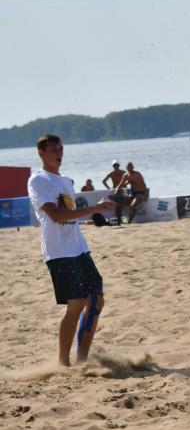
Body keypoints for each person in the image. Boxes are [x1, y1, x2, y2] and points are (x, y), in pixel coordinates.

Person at [27, 134, 116, 366]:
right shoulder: (38, 180)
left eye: (61, 149)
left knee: (96, 301)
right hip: (58, 252)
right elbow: (56, 216)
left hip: (79, 248)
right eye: (53, 149)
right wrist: (96, 208)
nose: (59, 153)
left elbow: (70, 216)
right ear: (41, 153)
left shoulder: (67, 180)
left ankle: (83, 360)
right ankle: (63, 363)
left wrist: (96, 209)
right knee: (75, 304)